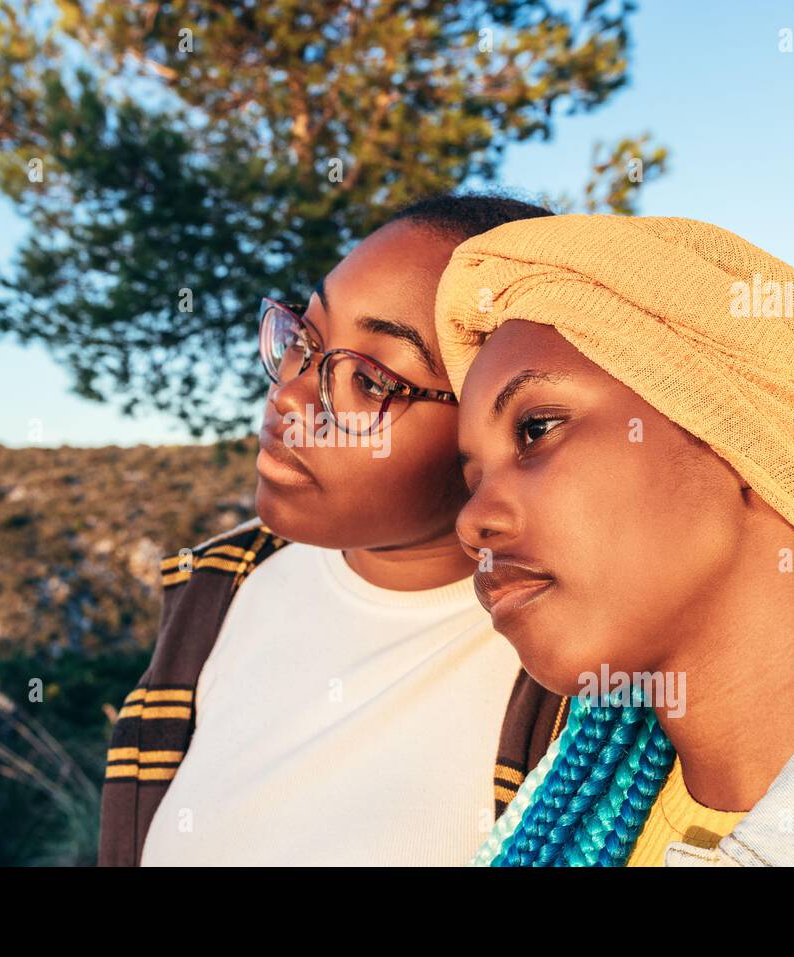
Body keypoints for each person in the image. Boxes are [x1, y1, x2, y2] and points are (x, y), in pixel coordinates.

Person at [433, 213, 794, 866]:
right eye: (471, 478)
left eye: (537, 428)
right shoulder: (575, 782)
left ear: (743, 446)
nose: (471, 524)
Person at [98, 194, 570, 866]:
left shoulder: (570, 680)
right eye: (306, 339)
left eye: (370, 381)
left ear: (505, 422)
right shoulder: (216, 590)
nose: (289, 395)